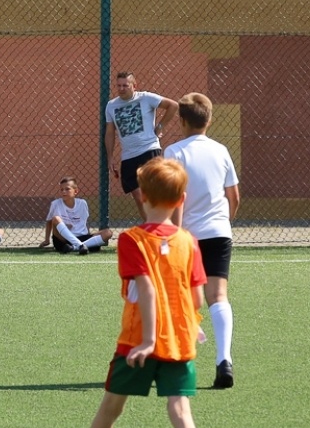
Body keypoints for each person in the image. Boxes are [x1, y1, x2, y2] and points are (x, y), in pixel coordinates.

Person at [53, 157, 209, 428]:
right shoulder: (188, 241)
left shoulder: (132, 240)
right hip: (179, 341)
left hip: (139, 341)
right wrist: (191, 322)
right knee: (180, 412)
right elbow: (196, 297)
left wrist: (149, 339)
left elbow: (148, 290)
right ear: (181, 200)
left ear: (142, 197)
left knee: (110, 408)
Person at [165, 92, 240, 389]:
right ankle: (224, 359)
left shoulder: (174, 152)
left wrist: (176, 234)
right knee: (218, 296)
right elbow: (233, 196)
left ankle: (182, 362)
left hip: (188, 236)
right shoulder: (221, 150)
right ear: (209, 119)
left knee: (183, 298)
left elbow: (175, 198)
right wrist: (225, 222)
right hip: (219, 233)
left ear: (181, 121)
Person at [104, 70, 177, 213]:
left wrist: (159, 127)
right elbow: (109, 132)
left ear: (134, 86)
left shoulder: (146, 98)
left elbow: (173, 106)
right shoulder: (111, 106)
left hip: (149, 150)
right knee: (138, 196)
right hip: (128, 156)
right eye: (118, 86)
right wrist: (110, 157)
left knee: (154, 194)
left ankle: (163, 226)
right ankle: (151, 228)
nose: (121, 89)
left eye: (125, 85)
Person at [40, 177, 114, 254]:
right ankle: (81, 246)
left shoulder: (82, 203)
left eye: (67, 189)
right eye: (61, 189)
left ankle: (74, 247)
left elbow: (85, 222)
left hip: (81, 237)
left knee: (108, 233)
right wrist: (47, 240)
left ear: (75, 191)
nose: (63, 192)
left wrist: (88, 236)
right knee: (56, 218)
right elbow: (49, 222)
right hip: (64, 240)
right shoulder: (55, 204)